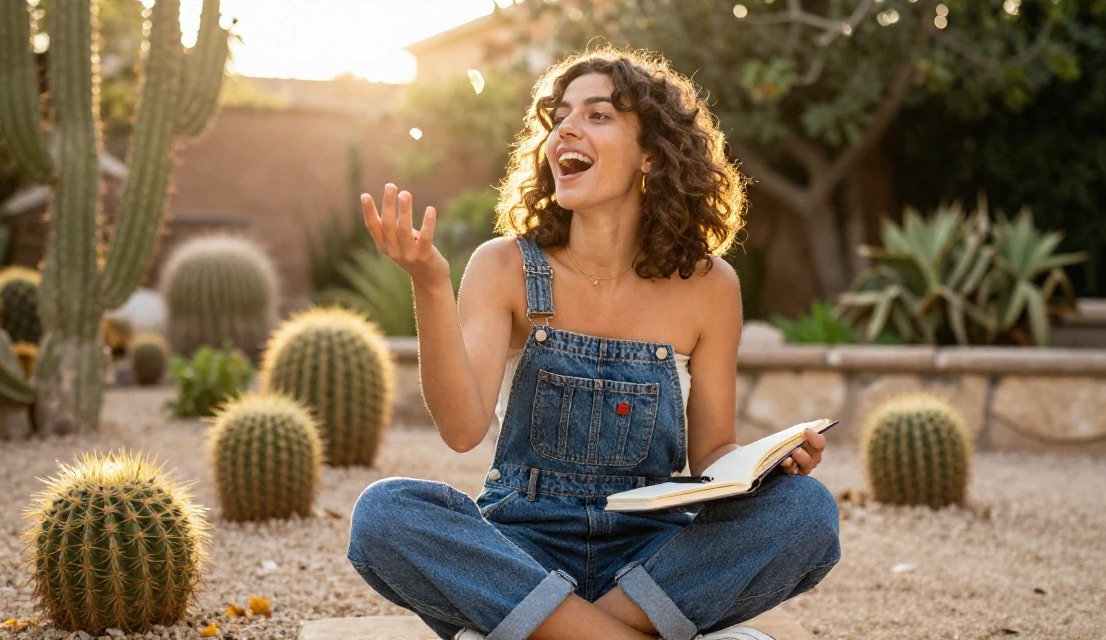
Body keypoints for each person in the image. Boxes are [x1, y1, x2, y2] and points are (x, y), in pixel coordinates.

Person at [346, 46, 840, 640]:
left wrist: (765, 468)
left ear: (652, 156)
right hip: (521, 548)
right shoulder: (503, 266)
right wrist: (428, 283)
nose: (566, 130)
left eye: (597, 115)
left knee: (807, 511)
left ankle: (554, 629)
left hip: (650, 558)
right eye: (559, 118)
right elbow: (461, 430)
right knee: (385, 514)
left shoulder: (709, 287)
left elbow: (711, 454)